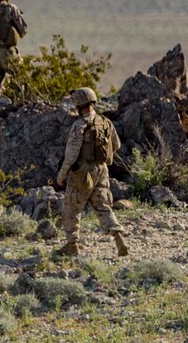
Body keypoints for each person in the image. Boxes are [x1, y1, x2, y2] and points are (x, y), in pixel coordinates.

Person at [56, 87, 129, 257]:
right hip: (102, 170)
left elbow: (72, 154)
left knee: (71, 207)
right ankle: (119, 239)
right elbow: (116, 145)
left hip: (82, 172)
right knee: (103, 206)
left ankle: (72, 245)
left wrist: (62, 174)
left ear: (78, 105)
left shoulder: (79, 125)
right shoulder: (105, 122)